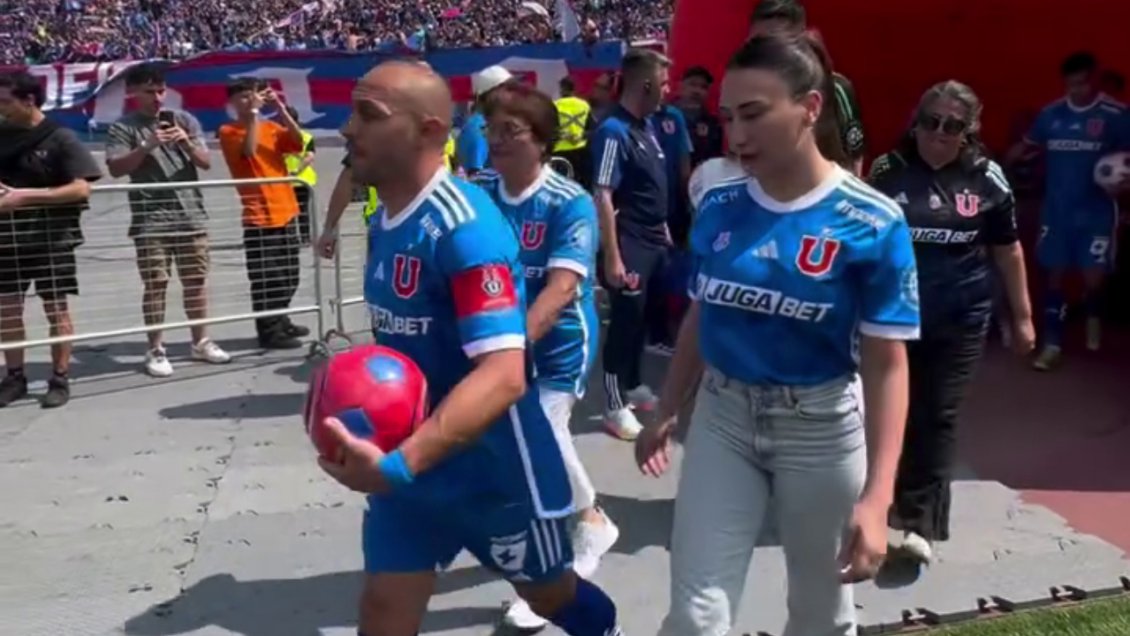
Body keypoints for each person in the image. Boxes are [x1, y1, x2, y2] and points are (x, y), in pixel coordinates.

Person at [321, 60, 624, 636]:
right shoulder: (388, 218)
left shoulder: (464, 228)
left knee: (552, 595)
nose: (347, 129)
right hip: (410, 467)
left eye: (369, 114)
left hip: (493, 472)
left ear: (432, 130)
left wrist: (399, 464)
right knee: (383, 610)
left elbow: (505, 375)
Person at [636, 32, 920, 636]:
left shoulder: (873, 221)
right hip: (721, 421)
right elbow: (701, 313)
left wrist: (877, 497)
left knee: (819, 615)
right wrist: (666, 408)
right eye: (729, 116)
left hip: (821, 429)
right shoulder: (718, 203)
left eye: (755, 114)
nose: (737, 135)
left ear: (811, 108)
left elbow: (887, 364)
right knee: (694, 616)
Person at [869, 80, 1036, 565]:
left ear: (968, 132)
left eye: (953, 125)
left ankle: (920, 523)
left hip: (961, 317)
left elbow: (1008, 250)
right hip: (893, 319)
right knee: (889, 411)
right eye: (931, 121)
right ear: (915, 122)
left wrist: (1022, 319)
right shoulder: (888, 171)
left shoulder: (987, 178)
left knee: (936, 414)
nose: (939, 133)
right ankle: (878, 502)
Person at [472, 82, 618, 631]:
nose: (497, 141)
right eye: (491, 130)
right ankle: (581, 522)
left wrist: (512, 344)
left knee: (543, 433)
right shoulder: (479, 192)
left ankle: (566, 556)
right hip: (502, 344)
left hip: (558, 345)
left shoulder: (568, 202)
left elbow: (560, 290)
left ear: (541, 140)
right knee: (514, 448)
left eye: (510, 131)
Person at [1006, 51, 1130, 370]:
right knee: (1055, 277)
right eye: (1071, 84)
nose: (1077, 90)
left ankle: (1092, 313)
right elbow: (1025, 147)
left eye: (1083, 83)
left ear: (1094, 79)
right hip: (1057, 212)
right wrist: (998, 166)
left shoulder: (1115, 115)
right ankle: (1052, 344)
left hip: (1097, 213)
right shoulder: (1051, 115)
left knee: (1093, 280)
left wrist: (1122, 184)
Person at [105, 63, 230, 378]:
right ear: (133, 93)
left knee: (196, 283)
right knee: (156, 284)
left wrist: (186, 142)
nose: (158, 98)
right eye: (149, 92)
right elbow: (117, 169)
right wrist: (147, 146)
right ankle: (156, 348)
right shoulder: (123, 127)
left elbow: (205, 163)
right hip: (151, 220)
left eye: (161, 91)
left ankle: (200, 341)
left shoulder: (185, 120)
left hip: (190, 215)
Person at [0, 71, 102, 409]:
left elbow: (81, 187)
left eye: (5, 102)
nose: (1, 109)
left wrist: (24, 197)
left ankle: (59, 378)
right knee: (7, 312)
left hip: (52, 240)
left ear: (29, 100)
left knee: (56, 309)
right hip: (7, 240)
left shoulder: (61, 138)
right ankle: (14, 377)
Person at [592, 48, 673, 440]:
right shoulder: (614, 131)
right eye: (664, 82)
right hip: (630, 242)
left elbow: (649, 187)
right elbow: (603, 194)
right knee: (624, 323)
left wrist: (664, 227)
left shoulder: (648, 127)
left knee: (642, 318)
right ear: (646, 84)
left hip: (655, 238)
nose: (668, 90)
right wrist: (613, 255)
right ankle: (612, 405)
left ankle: (634, 383)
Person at [217, 79, 310, 349]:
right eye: (244, 98)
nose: (250, 101)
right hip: (259, 216)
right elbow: (249, 151)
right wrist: (256, 114)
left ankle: (281, 319)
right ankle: (268, 331)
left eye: (253, 96)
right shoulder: (229, 131)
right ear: (233, 103)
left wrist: (280, 108)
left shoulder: (271, 128)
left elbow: (297, 142)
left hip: (286, 210)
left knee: (290, 274)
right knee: (267, 278)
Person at [749, 0, 867, 175]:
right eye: (759, 42)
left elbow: (854, 154)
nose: (768, 51)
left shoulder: (835, 88)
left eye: (776, 40)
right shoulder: (745, 89)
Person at [457, 65, 513, 178]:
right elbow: (475, 176)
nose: (513, 95)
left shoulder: (493, 123)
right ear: (492, 93)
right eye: (508, 89)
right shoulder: (477, 127)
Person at [675, 65, 725, 168]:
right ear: (681, 86)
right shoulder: (665, 117)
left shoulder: (713, 124)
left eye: (703, 87)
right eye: (692, 84)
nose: (697, 91)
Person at [282, 105, 318, 245]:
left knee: (292, 211)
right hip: (300, 179)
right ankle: (304, 238)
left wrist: (296, 171)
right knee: (301, 211)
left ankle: (293, 237)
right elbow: (309, 157)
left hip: (293, 179)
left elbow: (309, 156)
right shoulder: (306, 136)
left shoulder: (280, 136)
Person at [552, 76, 595, 190]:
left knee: (561, 188)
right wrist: (579, 136)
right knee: (580, 188)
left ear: (562, 89)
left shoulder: (555, 105)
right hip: (581, 151)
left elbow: (548, 129)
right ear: (574, 89)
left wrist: (563, 135)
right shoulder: (584, 105)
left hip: (560, 153)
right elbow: (593, 129)